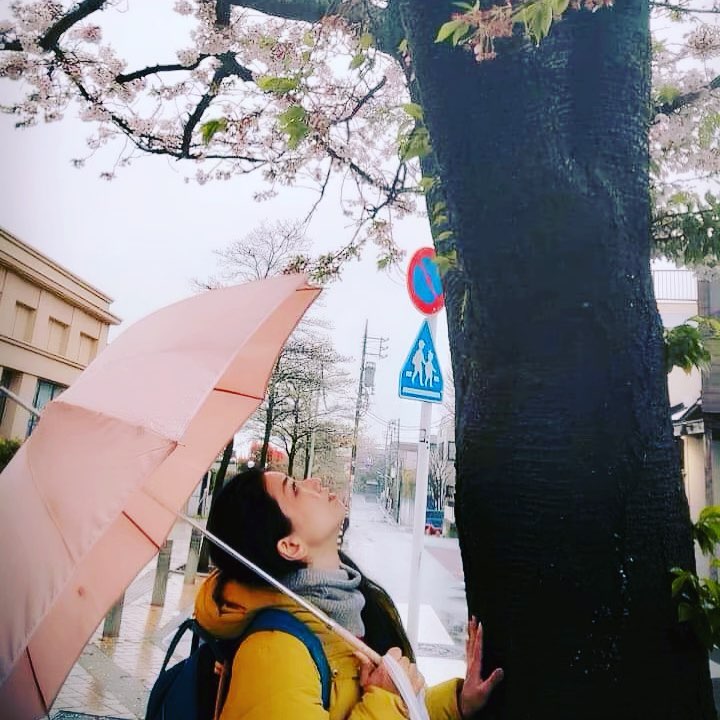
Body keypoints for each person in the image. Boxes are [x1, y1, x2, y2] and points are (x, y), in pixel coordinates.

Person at [194, 467, 503, 719]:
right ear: (290, 545)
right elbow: (383, 706)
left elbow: (386, 709)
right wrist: (385, 699)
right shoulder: (273, 655)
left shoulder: (348, 609)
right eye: (295, 489)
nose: (314, 481)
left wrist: (457, 703)